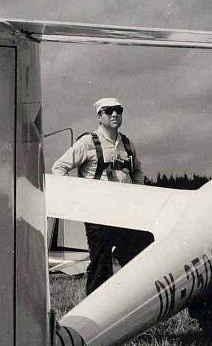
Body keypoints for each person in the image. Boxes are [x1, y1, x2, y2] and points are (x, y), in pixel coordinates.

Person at [52, 97, 153, 294]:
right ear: (99, 116)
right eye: (109, 111)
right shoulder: (87, 142)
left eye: (118, 110)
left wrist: (139, 196)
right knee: (101, 268)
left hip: (127, 214)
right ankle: (92, 316)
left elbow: (137, 170)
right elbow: (59, 167)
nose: (115, 114)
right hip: (99, 216)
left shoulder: (127, 144)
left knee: (138, 263)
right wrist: (77, 198)